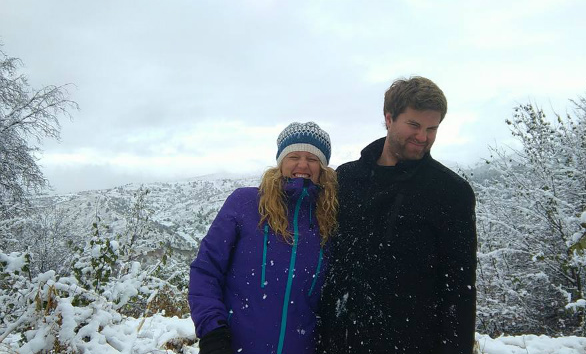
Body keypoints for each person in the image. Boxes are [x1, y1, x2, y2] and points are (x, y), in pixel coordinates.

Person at [318, 77, 477, 354]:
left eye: (432, 128)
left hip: (412, 343)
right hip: (340, 341)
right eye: (414, 125)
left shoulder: (450, 191)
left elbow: (459, 289)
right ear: (389, 118)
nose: (423, 137)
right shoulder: (346, 179)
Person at [189, 121, 338, 354]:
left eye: (312, 158)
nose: (302, 165)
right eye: (294, 156)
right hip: (234, 347)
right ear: (281, 162)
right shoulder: (245, 203)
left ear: (322, 166)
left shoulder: (328, 219)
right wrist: (212, 330)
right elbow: (206, 270)